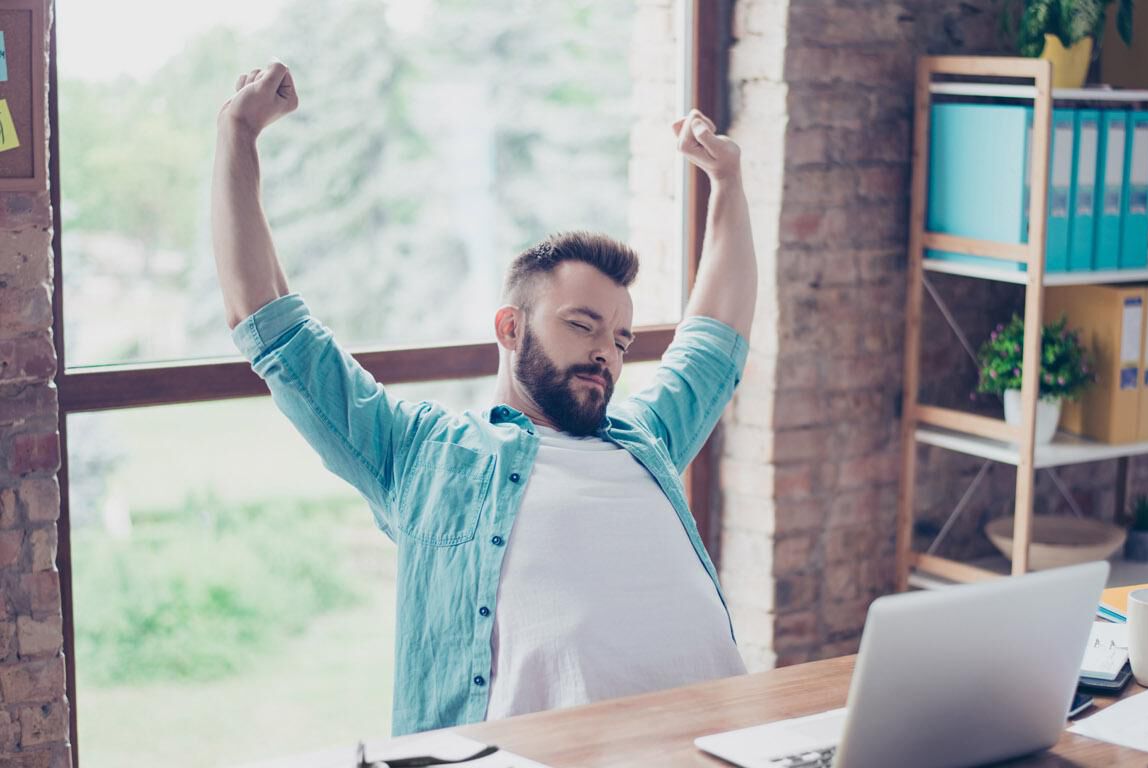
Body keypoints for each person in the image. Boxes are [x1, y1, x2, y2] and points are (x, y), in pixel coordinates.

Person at [211, 60, 758, 736]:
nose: (605, 353)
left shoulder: (647, 439)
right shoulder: (425, 455)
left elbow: (716, 341)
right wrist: (238, 134)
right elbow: (273, 328)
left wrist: (728, 182)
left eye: (620, 339)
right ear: (510, 327)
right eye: (582, 324)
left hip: (724, 744)